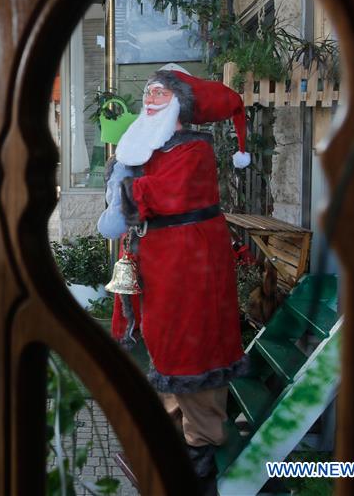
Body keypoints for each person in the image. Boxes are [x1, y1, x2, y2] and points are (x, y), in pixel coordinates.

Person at [98, 63, 250, 482]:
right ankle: (169, 431)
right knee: (164, 337)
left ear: (179, 103)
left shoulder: (193, 149)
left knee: (195, 340)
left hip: (193, 262)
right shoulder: (155, 148)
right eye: (148, 92)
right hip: (163, 259)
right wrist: (121, 173)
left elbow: (170, 193)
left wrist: (126, 188)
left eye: (159, 93)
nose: (150, 99)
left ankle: (200, 444)